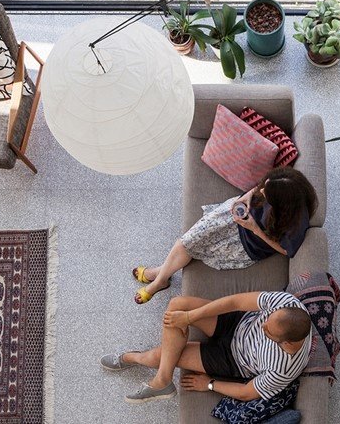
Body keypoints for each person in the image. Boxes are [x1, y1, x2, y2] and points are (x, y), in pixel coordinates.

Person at [132, 167, 317, 304]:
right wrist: (247, 196)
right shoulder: (284, 182)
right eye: (264, 187)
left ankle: (158, 278)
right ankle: (161, 277)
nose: (261, 191)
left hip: (248, 244)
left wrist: (255, 229)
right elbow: (259, 188)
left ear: (281, 204)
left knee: (192, 247)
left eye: (266, 193)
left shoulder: (296, 221)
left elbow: (286, 250)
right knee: (186, 242)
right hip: (238, 213)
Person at [100, 291, 313, 403]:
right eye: (267, 319)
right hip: (237, 323)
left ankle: (132, 358)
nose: (263, 324)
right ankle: (163, 380)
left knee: (161, 355)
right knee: (177, 306)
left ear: (286, 343)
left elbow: (247, 393)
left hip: (232, 359)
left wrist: (209, 384)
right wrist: (189, 317)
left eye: (267, 331)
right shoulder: (287, 303)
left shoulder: (282, 369)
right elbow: (235, 302)